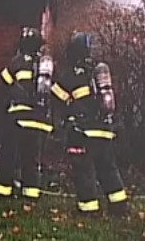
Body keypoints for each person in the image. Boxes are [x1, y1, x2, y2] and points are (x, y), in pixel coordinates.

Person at [52, 31, 129, 216]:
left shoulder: (71, 74)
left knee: (84, 170)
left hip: (82, 132)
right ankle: (119, 207)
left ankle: (89, 210)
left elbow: (56, 96)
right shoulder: (97, 71)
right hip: (104, 131)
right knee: (108, 169)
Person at [0, 27, 57, 200]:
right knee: (31, 159)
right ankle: (31, 193)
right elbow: (55, 92)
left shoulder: (16, 61)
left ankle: (2, 191)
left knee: (8, 155)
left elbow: (2, 85)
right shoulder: (45, 67)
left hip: (18, 118)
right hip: (40, 121)